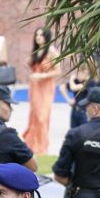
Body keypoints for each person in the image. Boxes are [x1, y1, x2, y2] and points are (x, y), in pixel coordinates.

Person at [21, 30, 62, 158]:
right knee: (34, 116)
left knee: (42, 117)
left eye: (41, 35)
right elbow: (33, 66)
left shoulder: (52, 51)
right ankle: (32, 145)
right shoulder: (36, 50)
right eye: (36, 35)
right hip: (34, 87)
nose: (38, 38)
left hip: (46, 87)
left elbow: (58, 71)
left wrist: (42, 75)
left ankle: (41, 148)